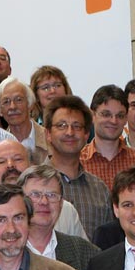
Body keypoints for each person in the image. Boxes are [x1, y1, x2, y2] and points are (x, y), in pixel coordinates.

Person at [0, 165, 99, 270]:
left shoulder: (84, 253)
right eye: (35, 194)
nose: (44, 202)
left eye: (52, 195)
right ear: (20, 202)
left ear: (61, 203)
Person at [0, 140, 88, 241]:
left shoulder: (64, 210)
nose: (10, 165)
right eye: (1, 162)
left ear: (32, 166)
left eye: (18, 159)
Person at [42, 95, 112, 241]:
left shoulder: (100, 190)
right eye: (61, 125)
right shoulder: (32, 185)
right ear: (48, 134)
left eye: (77, 126)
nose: (69, 132)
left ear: (86, 134)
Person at [79, 85, 135, 189]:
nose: (113, 121)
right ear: (93, 116)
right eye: (106, 114)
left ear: (126, 119)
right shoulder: (77, 162)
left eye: (120, 116)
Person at [0, 76, 49, 162]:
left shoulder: (49, 139)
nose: (12, 107)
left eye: (18, 100)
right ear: (0, 110)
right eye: (6, 101)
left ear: (29, 104)